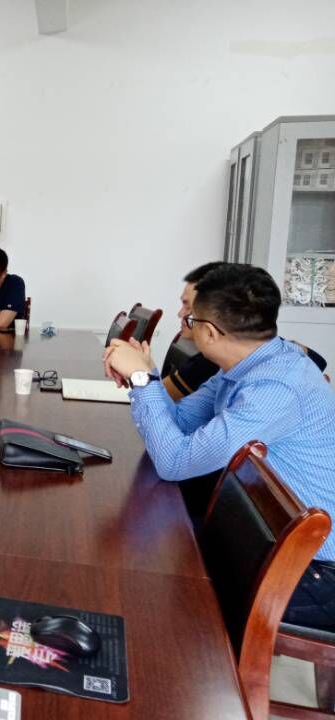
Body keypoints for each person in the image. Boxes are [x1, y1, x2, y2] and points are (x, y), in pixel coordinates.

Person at [102, 265, 335, 630]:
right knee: (141, 546)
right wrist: (145, 376)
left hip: (311, 568)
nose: (185, 321)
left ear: (209, 333)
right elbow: (180, 422)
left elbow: (174, 462)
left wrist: (142, 380)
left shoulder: (274, 388)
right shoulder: (243, 366)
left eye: (190, 318)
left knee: (146, 572)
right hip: (261, 534)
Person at [163, 261, 327, 400]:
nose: (180, 314)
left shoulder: (216, 361)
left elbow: (161, 403)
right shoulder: (226, 367)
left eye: (189, 307)